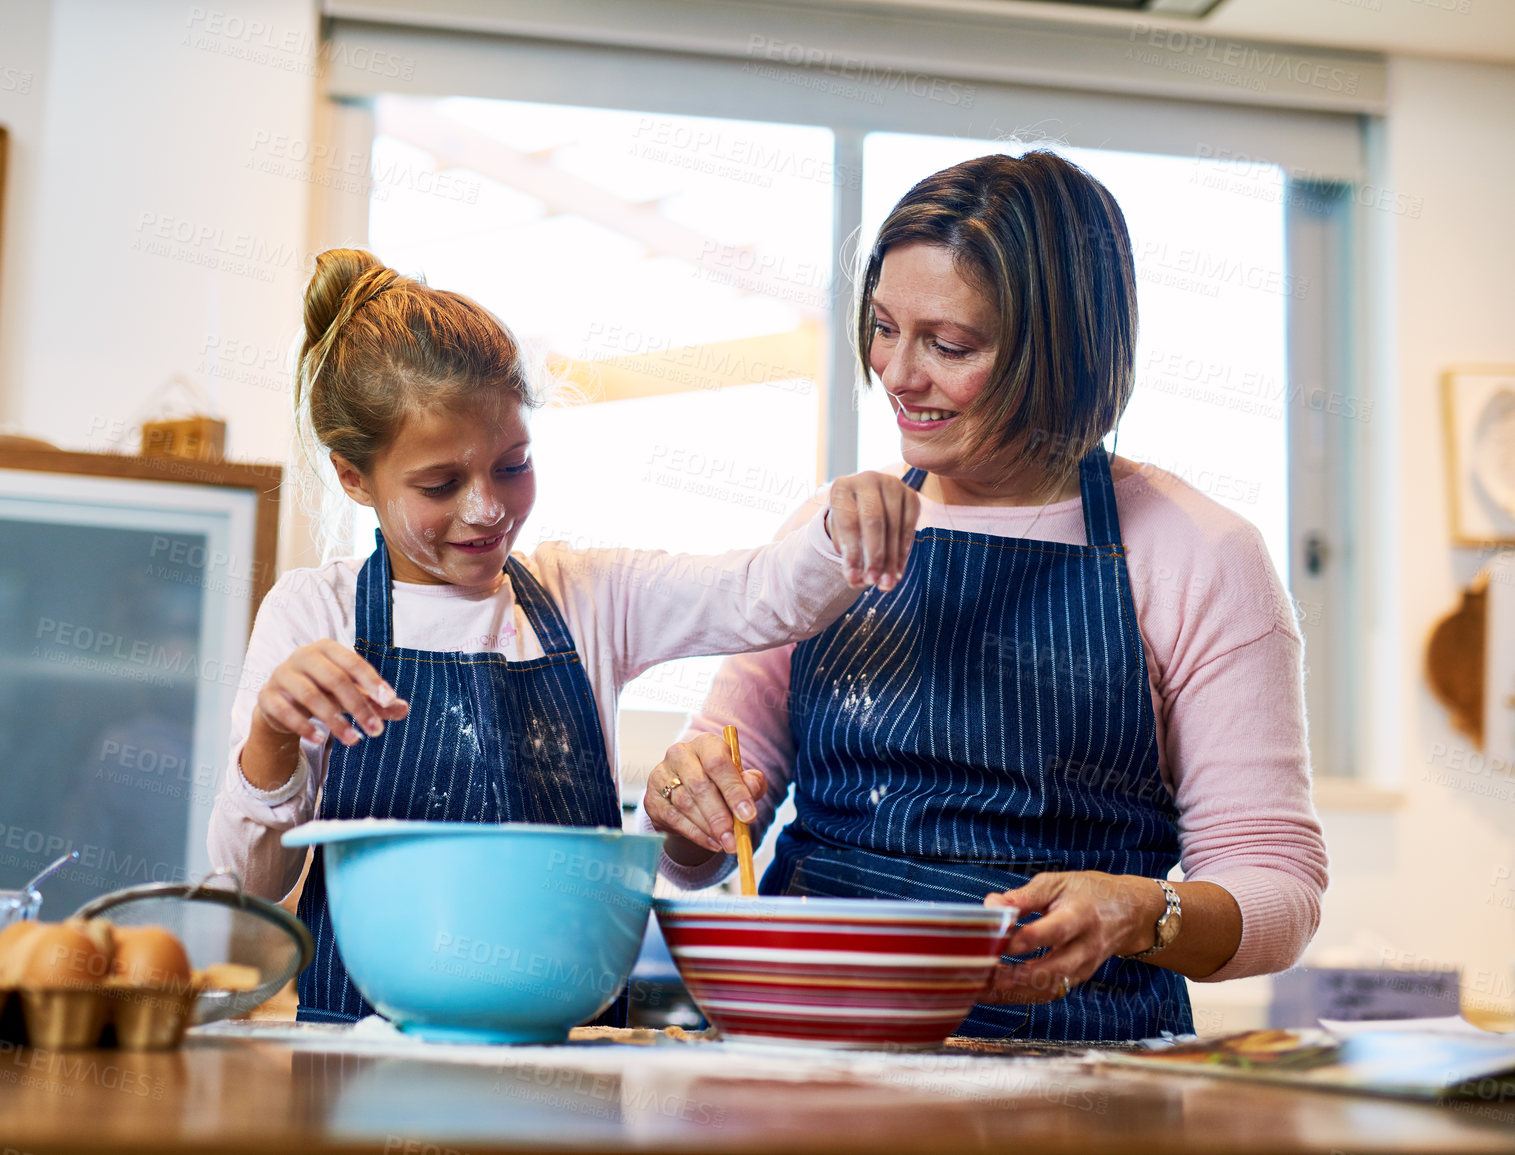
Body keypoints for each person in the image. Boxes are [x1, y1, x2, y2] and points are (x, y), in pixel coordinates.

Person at [639, 152, 1329, 1042]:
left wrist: (1139, 912)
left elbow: (1278, 890)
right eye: (883, 327)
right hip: (802, 1051)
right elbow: (696, 847)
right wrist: (684, 803)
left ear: (1064, 351)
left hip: (1078, 1080)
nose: (895, 372)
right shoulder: (829, 530)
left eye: (949, 345)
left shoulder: (1198, 554)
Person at [207, 249, 920, 1024]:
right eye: (440, 484)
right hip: (361, 1045)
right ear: (354, 476)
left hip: (572, 1049)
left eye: (512, 466)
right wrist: (273, 735)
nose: (486, 509)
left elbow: (761, 595)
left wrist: (843, 522)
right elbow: (251, 884)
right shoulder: (313, 614)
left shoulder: (586, 596)